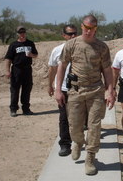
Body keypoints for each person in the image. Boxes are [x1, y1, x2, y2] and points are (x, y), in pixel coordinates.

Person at [55, 14, 115, 176]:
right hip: (75, 90)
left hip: (96, 90)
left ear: (96, 29)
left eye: (92, 28)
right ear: (82, 26)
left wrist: (111, 90)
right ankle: (78, 142)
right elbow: (62, 66)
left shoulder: (102, 47)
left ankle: (90, 157)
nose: (88, 31)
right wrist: (58, 89)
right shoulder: (71, 44)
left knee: (94, 125)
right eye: (86, 28)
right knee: (74, 125)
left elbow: (107, 70)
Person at [47, 24, 77, 156]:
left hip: (79, 89)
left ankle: (80, 141)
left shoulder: (83, 49)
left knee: (79, 117)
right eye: (70, 34)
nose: (73, 36)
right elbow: (52, 69)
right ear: (64, 35)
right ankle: (65, 144)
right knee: (64, 117)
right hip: (63, 88)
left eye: (75, 33)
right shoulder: (57, 50)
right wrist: (50, 85)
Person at [5, 26, 38, 117]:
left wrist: (32, 55)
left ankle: (26, 109)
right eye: (20, 33)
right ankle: (13, 109)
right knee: (15, 89)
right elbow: (8, 59)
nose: (22, 34)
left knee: (27, 89)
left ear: (25, 33)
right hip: (17, 69)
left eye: (23, 32)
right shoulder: (13, 45)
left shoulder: (30, 43)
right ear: (17, 34)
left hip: (27, 69)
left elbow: (36, 55)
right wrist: (8, 71)